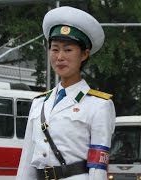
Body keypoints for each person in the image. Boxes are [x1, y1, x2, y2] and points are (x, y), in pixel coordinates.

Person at [16, 6, 116, 180]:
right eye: (55, 49)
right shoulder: (39, 103)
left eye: (68, 50)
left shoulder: (99, 105)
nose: (60, 56)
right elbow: (27, 161)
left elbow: (98, 166)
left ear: (84, 54)